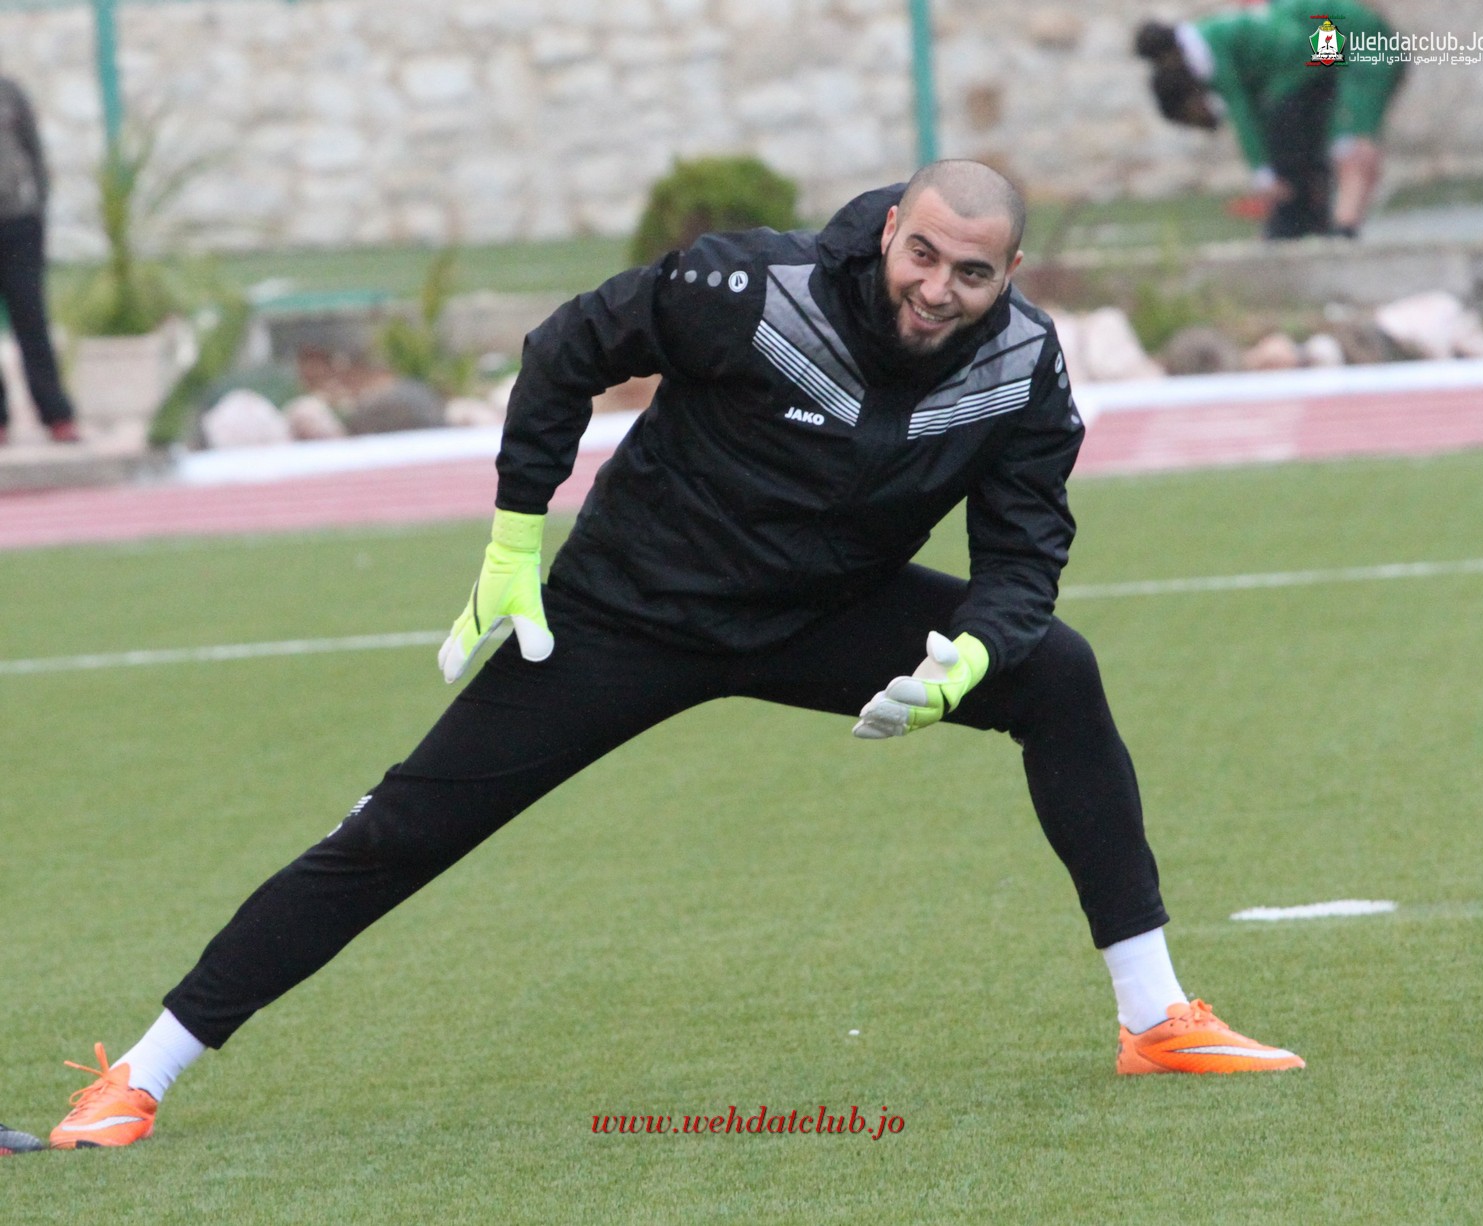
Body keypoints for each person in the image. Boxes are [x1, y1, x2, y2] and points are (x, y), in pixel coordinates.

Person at [50, 160, 1303, 1149]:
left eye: (971, 272)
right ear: (890, 234)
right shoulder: (749, 286)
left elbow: (1024, 548)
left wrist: (974, 655)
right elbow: (568, 348)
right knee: (401, 828)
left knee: (1056, 672)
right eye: (922, 254)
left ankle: (1154, 1015)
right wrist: (516, 536)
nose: (937, 287)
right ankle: (141, 1075)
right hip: (631, 611)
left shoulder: (1024, 366)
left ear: (1009, 273)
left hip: (825, 612)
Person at [1136, 1, 1404, 239]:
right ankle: (1328, 223)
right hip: (1314, 60)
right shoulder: (1212, 38)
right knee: (1327, 143)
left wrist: (1262, 173)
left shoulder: (1208, 52)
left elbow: (1243, 111)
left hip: (1327, 56)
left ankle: (1342, 228)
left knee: (1349, 144)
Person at [0, 70, 79, 445]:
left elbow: (34, 152)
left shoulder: (9, 93)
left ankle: (57, 415)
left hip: (19, 222)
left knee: (31, 320)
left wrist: (39, 209)